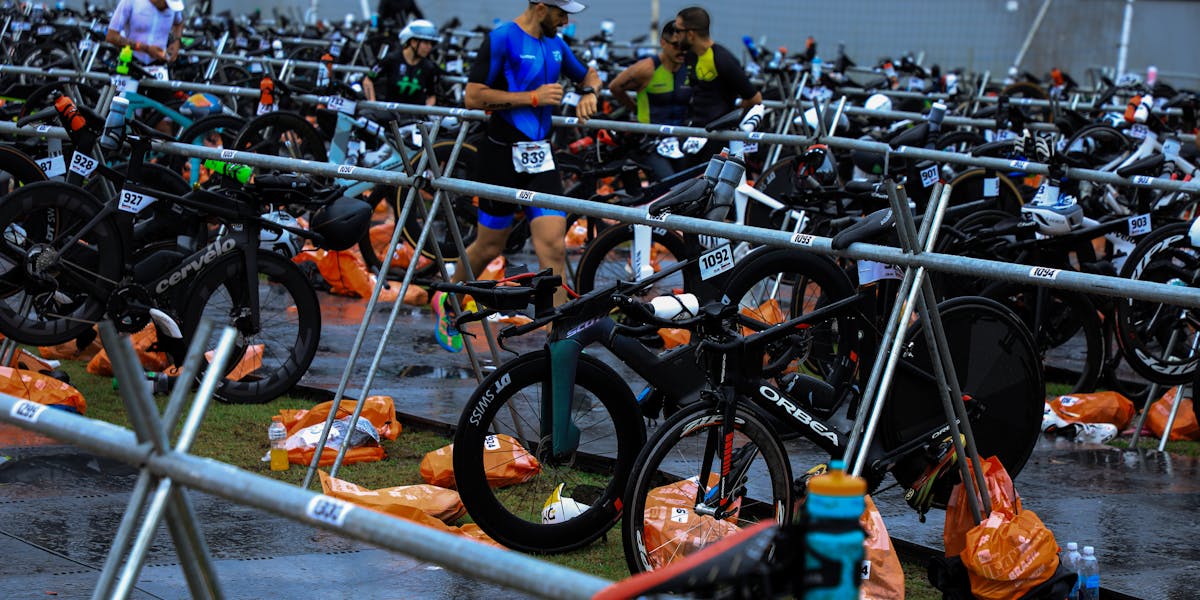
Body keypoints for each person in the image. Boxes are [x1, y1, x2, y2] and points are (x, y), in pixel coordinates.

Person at [430, 0, 600, 352]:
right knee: (490, 245)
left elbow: (589, 74)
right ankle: (448, 300)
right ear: (540, 6)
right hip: (500, 156)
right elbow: (473, 96)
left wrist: (590, 93)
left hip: (540, 158)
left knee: (553, 244)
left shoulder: (556, 43)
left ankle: (561, 335)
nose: (566, 20)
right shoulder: (503, 38)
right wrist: (532, 98)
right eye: (561, 13)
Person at [673, 6, 761, 165]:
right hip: (692, 133)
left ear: (691, 34)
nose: (675, 35)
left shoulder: (723, 59)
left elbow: (754, 98)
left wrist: (731, 114)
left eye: (678, 30)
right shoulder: (691, 56)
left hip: (717, 138)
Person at [607, 22, 693, 180]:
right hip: (651, 141)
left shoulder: (690, 68)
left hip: (681, 139)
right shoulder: (647, 69)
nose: (681, 50)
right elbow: (615, 87)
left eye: (685, 45)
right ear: (663, 43)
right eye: (676, 45)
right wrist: (635, 108)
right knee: (671, 187)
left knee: (690, 184)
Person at [363, 19, 442, 106]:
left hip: (414, 117)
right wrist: (373, 103)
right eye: (426, 43)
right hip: (391, 115)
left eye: (431, 44)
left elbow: (431, 96)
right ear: (413, 42)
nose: (429, 47)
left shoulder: (429, 67)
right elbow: (368, 80)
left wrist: (425, 111)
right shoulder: (391, 59)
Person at [106, 0, 184, 65]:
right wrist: (146, 48)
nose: (168, 8)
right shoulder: (130, 2)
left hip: (158, 63)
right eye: (167, 4)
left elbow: (179, 23)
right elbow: (111, 36)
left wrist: (176, 41)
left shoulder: (172, 9)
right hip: (128, 59)